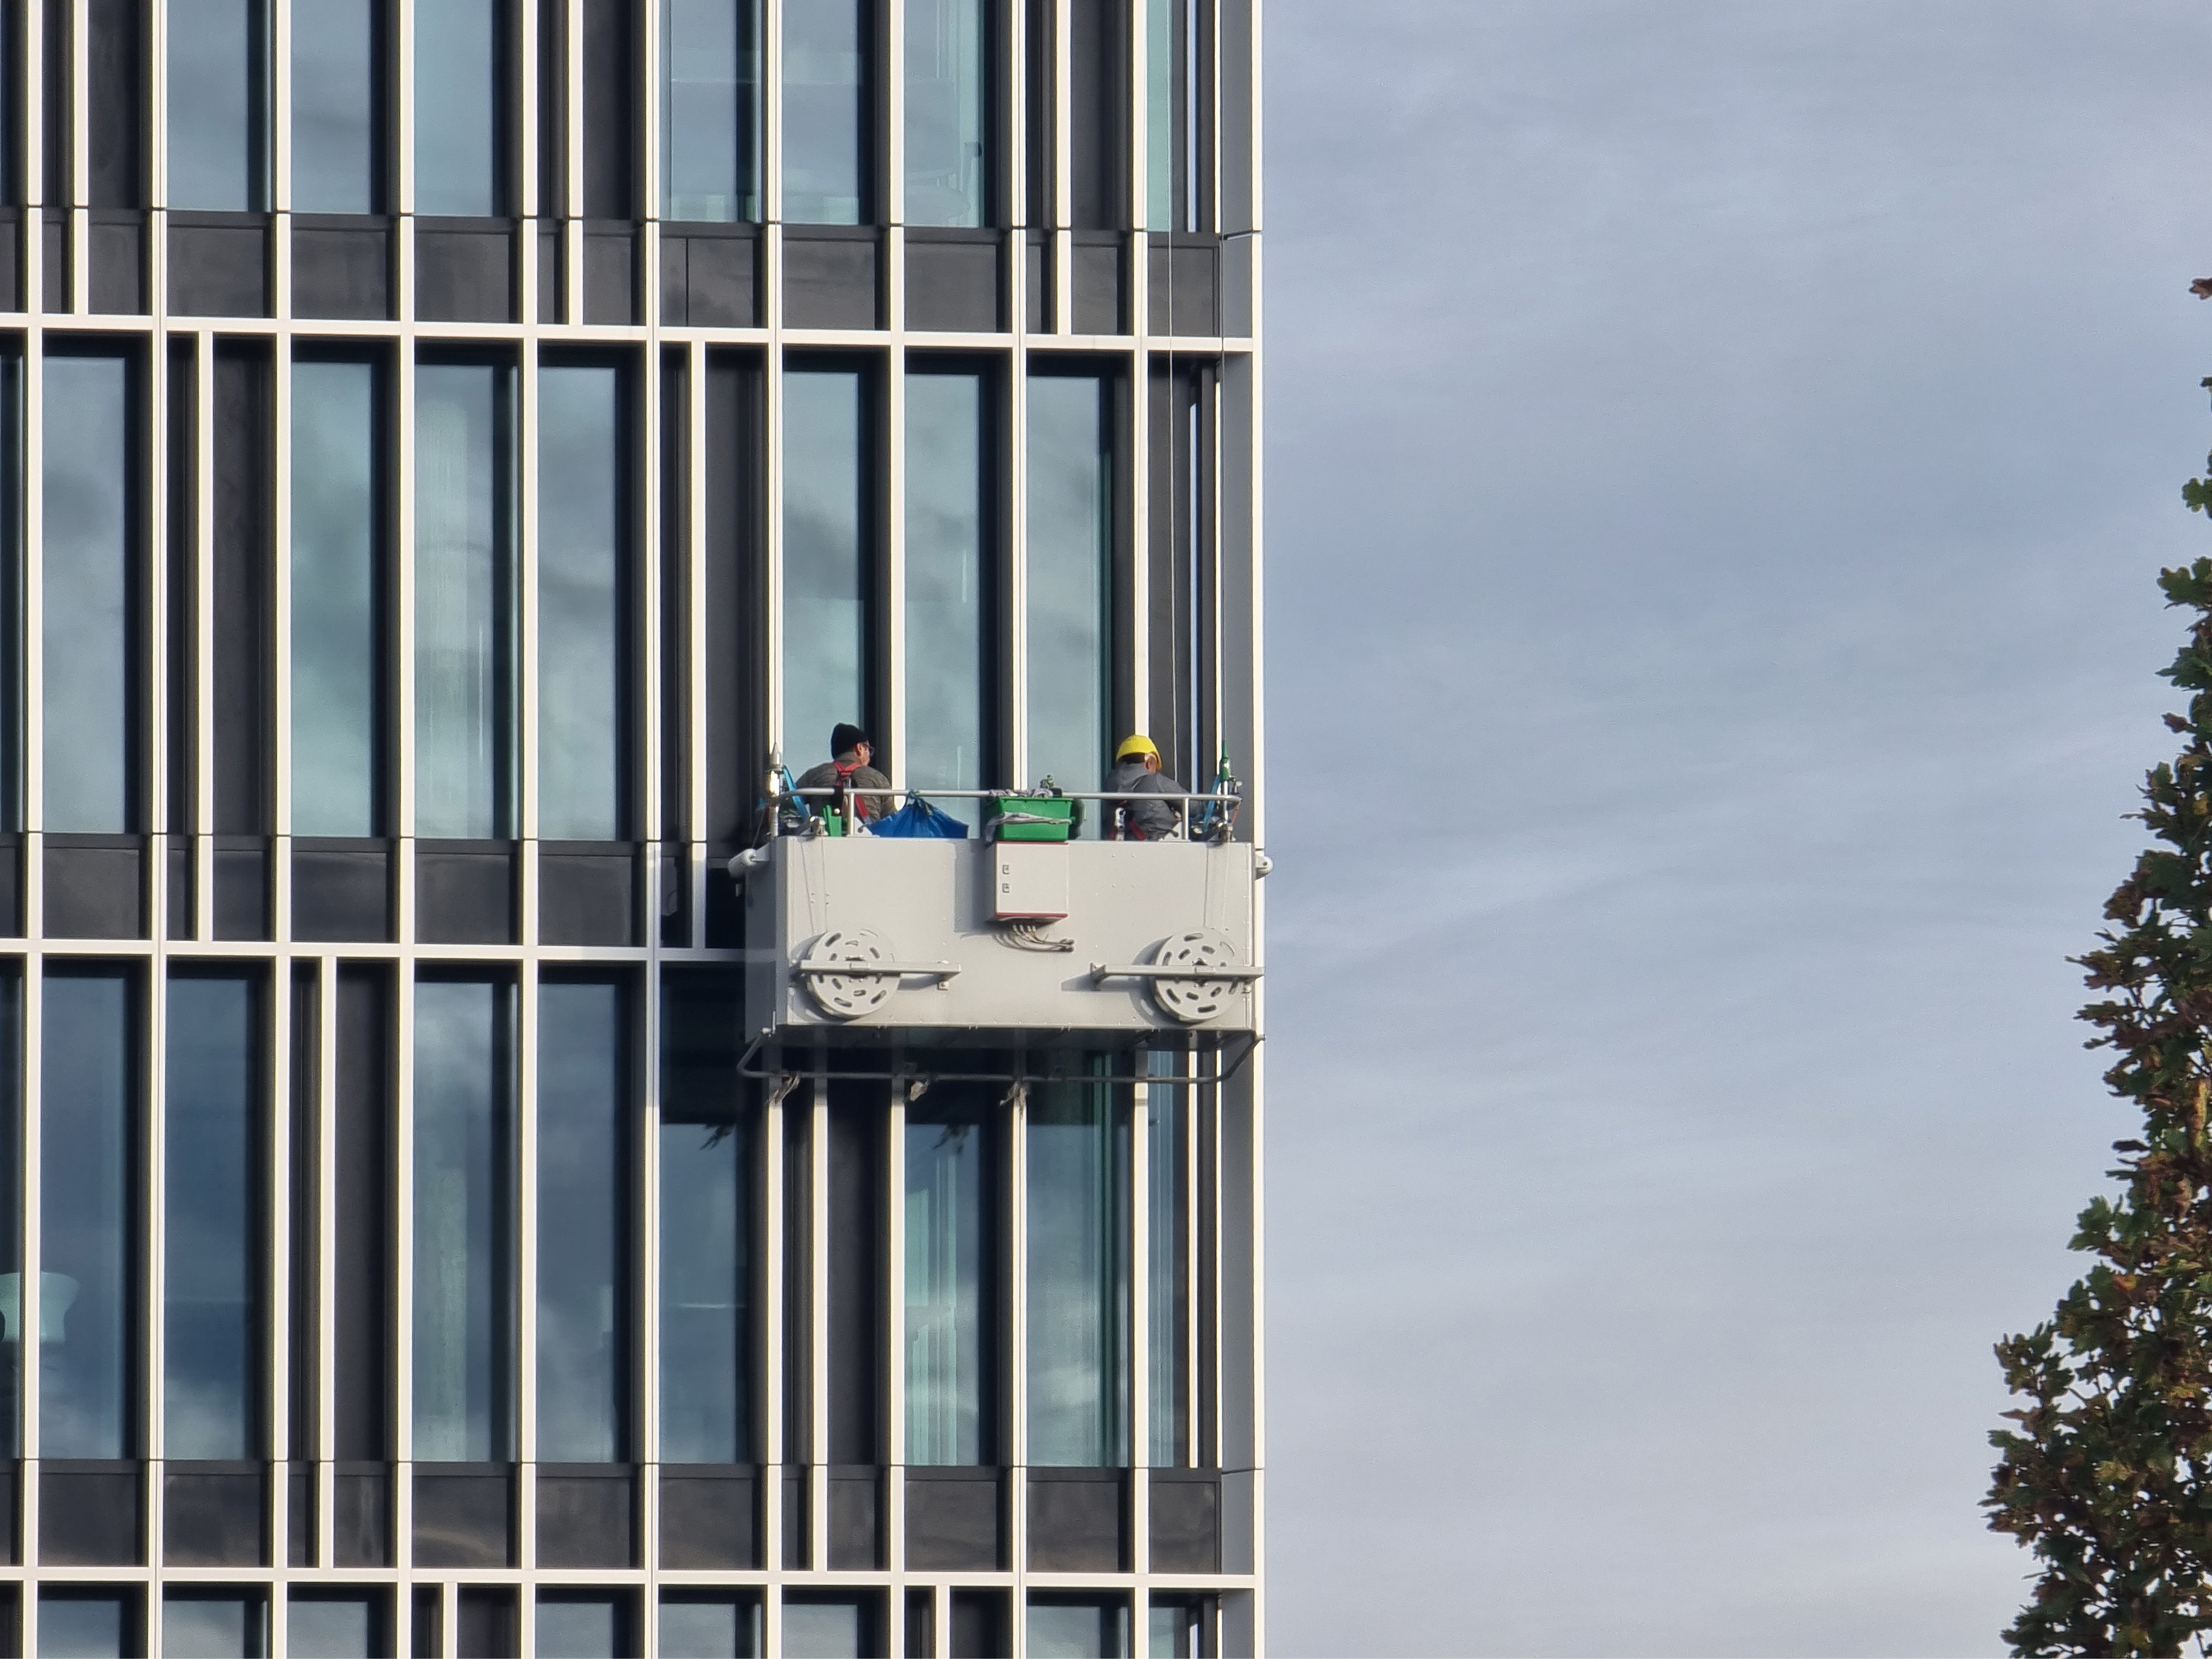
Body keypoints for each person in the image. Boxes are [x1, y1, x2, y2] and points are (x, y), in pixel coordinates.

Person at [793, 723, 893, 826]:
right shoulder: (878, 778)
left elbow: (790, 804)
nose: (869, 756)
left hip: (823, 835)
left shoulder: (815, 775)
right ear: (860, 748)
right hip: (869, 835)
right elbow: (891, 820)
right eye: (869, 750)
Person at [1104, 734, 1184, 840]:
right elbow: (1194, 807)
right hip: (1160, 845)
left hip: (1117, 845)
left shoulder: (1107, 785)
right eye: (1156, 766)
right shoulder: (1156, 781)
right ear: (1149, 763)